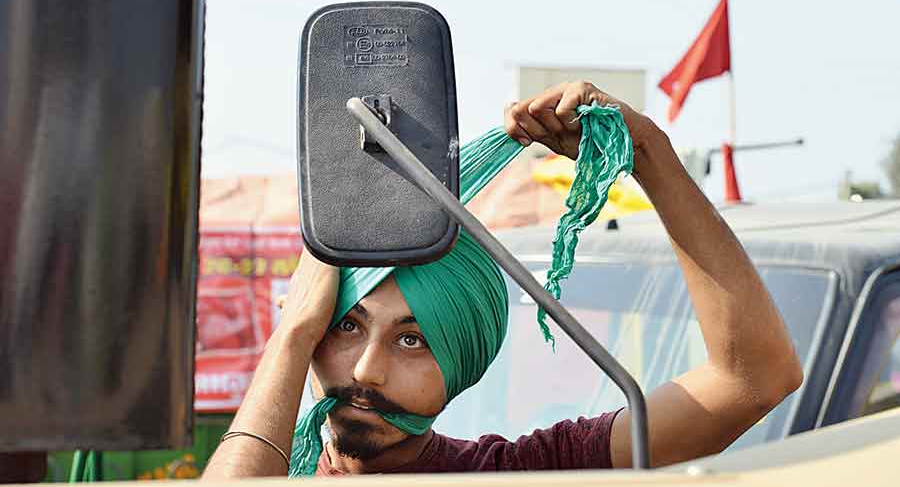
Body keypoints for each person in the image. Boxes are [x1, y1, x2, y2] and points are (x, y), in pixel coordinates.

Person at [202, 81, 803, 478]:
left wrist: (647, 150)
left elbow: (753, 380)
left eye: (412, 339)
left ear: (464, 359)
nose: (365, 371)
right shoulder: (268, 465)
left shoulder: (519, 475)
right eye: (346, 326)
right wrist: (292, 336)